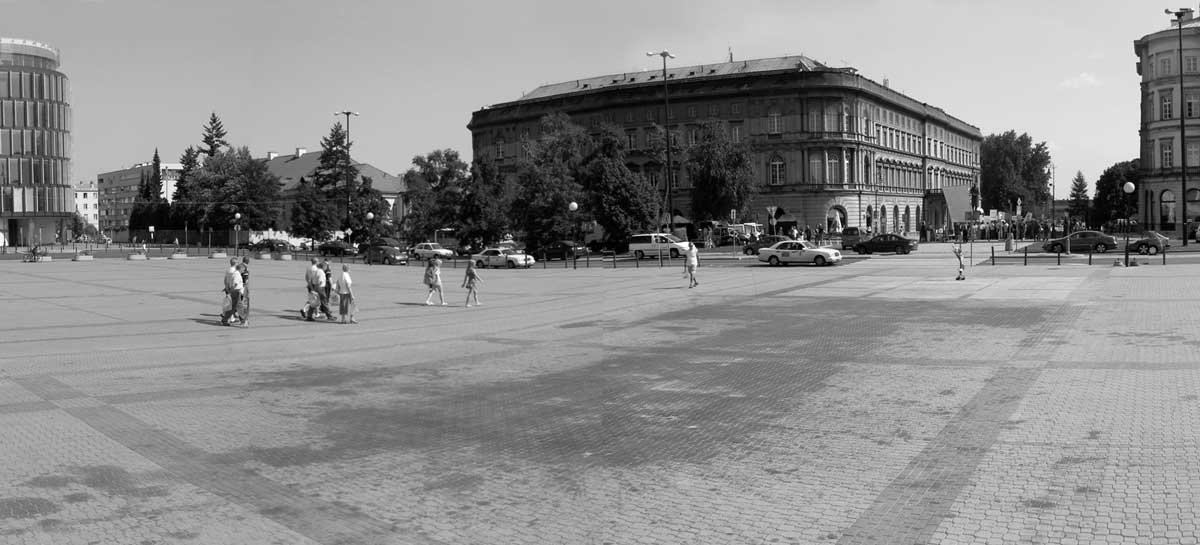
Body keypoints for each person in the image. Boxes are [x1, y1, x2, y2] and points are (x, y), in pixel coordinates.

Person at [221, 257, 245, 326]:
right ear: (235, 263)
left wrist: (226, 288)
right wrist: (230, 291)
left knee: (237, 306)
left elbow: (225, 281)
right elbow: (235, 283)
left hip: (230, 289)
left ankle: (242, 320)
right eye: (237, 262)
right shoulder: (235, 272)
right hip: (235, 291)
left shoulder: (228, 270)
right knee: (235, 307)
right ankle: (226, 318)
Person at [236, 256, 250, 326]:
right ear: (248, 261)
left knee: (238, 303)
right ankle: (244, 320)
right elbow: (245, 280)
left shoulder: (238, 266)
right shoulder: (245, 268)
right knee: (244, 304)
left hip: (236, 287)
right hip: (242, 288)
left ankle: (237, 316)